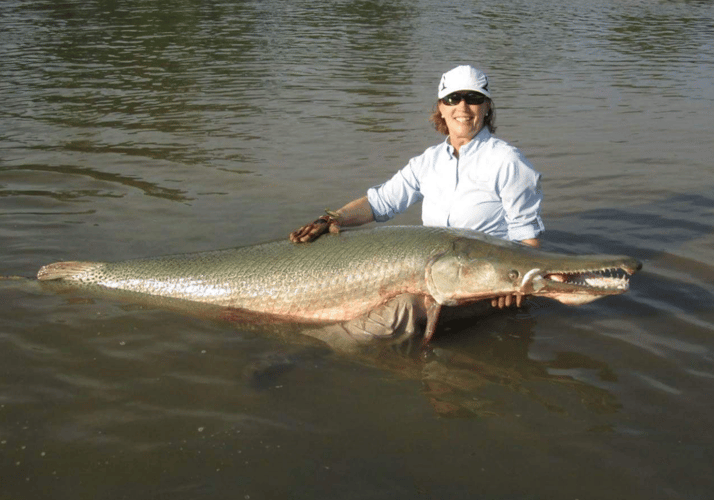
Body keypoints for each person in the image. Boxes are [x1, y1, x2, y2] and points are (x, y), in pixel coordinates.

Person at [289, 65, 544, 309]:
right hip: (436, 280)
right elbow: (380, 203)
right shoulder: (427, 161)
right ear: (441, 109)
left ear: (487, 107)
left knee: (397, 314)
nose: (463, 107)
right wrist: (332, 218)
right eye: (453, 99)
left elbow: (527, 242)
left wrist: (512, 286)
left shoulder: (508, 161)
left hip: (484, 287)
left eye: (474, 98)